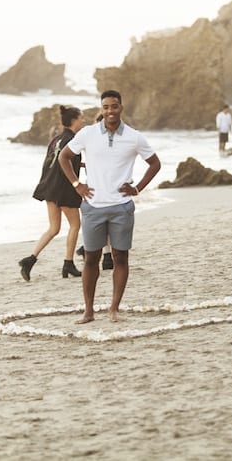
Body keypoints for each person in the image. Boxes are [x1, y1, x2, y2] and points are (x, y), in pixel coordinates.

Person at [58, 90, 161, 324]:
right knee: (91, 259)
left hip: (121, 207)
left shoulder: (134, 137)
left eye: (114, 106)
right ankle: (89, 311)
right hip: (93, 206)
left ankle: (114, 309)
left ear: (121, 107)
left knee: (120, 258)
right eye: (105, 107)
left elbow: (155, 163)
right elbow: (64, 157)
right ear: (101, 109)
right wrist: (77, 185)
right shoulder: (87, 134)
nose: (110, 111)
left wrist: (138, 189)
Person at [19, 106, 85, 281]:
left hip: (49, 187)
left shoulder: (56, 139)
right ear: (74, 120)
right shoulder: (73, 140)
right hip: (64, 188)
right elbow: (66, 165)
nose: (83, 121)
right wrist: (77, 184)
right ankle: (68, 263)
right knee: (75, 225)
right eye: (81, 118)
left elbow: (51, 164)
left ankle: (30, 259)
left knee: (54, 228)